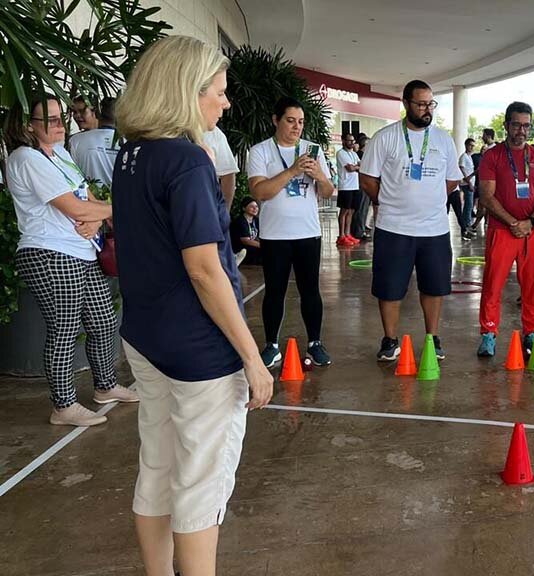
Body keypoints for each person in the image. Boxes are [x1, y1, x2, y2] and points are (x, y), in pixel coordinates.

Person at [112, 35, 273, 575]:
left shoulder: (133, 154)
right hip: (199, 350)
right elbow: (205, 269)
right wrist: (251, 356)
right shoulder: (186, 162)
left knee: (157, 467)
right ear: (188, 91)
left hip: (145, 338)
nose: (225, 104)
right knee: (201, 485)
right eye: (219, 93)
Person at [4, 94, 136, 426]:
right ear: (28, 126)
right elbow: (74, 208)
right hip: (49, 252)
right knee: (64, 327)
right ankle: (63, 405)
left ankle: (105, 386)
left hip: (80, 250)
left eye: (59, 117)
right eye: (47, 119)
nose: (58, 124)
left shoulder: (61, 153)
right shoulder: (26, 158)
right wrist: (111, 210)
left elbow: (85, 196)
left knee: (104, 319)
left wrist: (97, 217)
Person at [360, 80, 462, 362]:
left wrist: (428, 199)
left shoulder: (443, 139)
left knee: (434, 286)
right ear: (406, 104)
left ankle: (432, 338)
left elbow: (452, 179)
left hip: (435, 229)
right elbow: (368, 179)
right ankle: (390, 340)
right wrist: (391, 200)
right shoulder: (386, 137)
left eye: (431, 104)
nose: (427, 109)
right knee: (390, 288)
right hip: (394, 227)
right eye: (421, 104)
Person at [247, 96, 336, 368]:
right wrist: (292, 171)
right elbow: (260, 191)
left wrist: (320, 175)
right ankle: (272, 345)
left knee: (311, 290)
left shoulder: (313, 149)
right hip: (275, 236)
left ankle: (315, 343)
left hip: (308, 233)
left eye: (300, 122)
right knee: (275, 291)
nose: (297, 127)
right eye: (290, 121)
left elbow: (329, 192)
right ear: (276, 120)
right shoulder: (260, 151)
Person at [475, 102, 534, 357]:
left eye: (526, 125)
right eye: (517, 124)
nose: (522, 130)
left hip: (531, 231)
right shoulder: (492, 156)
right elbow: (487, 196)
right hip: (502, 230)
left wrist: (530, 222)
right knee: (493, 284)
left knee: (531, 285)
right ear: (506, 125)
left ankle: (531, 333)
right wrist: (512, 223)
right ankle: (488, 334)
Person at [68, 96, 119, 188]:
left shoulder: (75, 140)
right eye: (74, 112)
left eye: (82, 111)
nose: (77, 116)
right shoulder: (74, 140)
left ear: (96, 111)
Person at [202, 126, 240, 209]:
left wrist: (225, 213)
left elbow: (228, 174)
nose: (221, 113)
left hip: (205, 206)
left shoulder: (214, 133)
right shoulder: (170, 125)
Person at [335, 133, 362, 246]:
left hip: (355, 186)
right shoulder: (341, 153)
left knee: (351, 211)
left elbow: (362, 165)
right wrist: (357, 167)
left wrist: (356, 167)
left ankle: (348, 233)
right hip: (345, 186)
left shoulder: (354, 154)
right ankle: (341, 235)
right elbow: (350, 168)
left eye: (353, 140)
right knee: (344, 211)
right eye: (349, 140)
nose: (351, 143)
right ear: (343, 141)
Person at [230, 197, 261, 265]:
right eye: (251, 207)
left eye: (256, 206)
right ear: (244, 208)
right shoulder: (240, 221)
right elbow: (246, 241)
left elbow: (259, 236)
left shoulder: (256, 220)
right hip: (240, 250)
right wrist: (265, 246)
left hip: (252, 248)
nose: (255, 209)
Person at [458, 137, 477, 240]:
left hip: (471, 183)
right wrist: (469, 182)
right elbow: (462, 169)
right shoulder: (463, 157)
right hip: (466, 184)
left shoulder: (469, 157)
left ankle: (467, 223)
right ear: (466, 145)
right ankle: (466, 224)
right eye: (470, 145)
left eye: (473, 146)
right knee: (468, 205)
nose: (472, 148)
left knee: (469, 205)